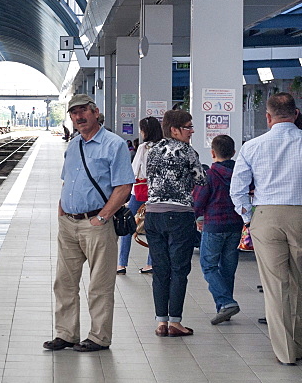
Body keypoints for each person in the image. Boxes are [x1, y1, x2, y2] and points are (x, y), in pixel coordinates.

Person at [43, 94, 134, 353]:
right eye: (74, 113)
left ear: (95, 113)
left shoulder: (114, 144)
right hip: (69, 224)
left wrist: (102, 217)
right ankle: (66, 333)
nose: (79, 117)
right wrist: (61, 214)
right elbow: (67, 181)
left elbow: (124, 186)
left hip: (97, 224)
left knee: (100, 284)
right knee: (64, 282)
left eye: (83, 111)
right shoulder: (74, 145)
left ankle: (99, 337)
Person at [230, 92, 302, 365]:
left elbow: (237, 189)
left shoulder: (253, 146)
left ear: (268, 117)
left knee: (276, 286)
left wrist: (249, 218)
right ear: (295, 114)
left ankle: (286, 353)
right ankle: (300, 341)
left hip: (266, 217)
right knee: (299, 284)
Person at [144, 109, 206, 338]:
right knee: (179, 269)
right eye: (188, 127)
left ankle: (160, 322)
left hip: (153, 215)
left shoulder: (152, 150)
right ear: (174, 129)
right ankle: (175, 322)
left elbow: (148, 176)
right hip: (179, 215)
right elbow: (200, 179)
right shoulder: (188, 151)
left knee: (160, 269)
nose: (192, 131)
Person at [192, 134, 243, 325]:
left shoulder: (209, 175)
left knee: (209, 265)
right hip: (236, 226)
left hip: (213, 226)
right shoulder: (240, 172)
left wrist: (195, 217)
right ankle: (224, 307)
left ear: (212, 153)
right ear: (234, 152)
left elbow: (198, 201)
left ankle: (226, 302)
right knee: (228, 268)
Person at [118, 117, 163, 275]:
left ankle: (122, 264)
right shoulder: (164, 146)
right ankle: (150, 264)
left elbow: (135, 170)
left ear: (146, 131)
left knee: (127, 226)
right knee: (154, 229)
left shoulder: (144, 147)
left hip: (140, 192)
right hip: (158, 194)